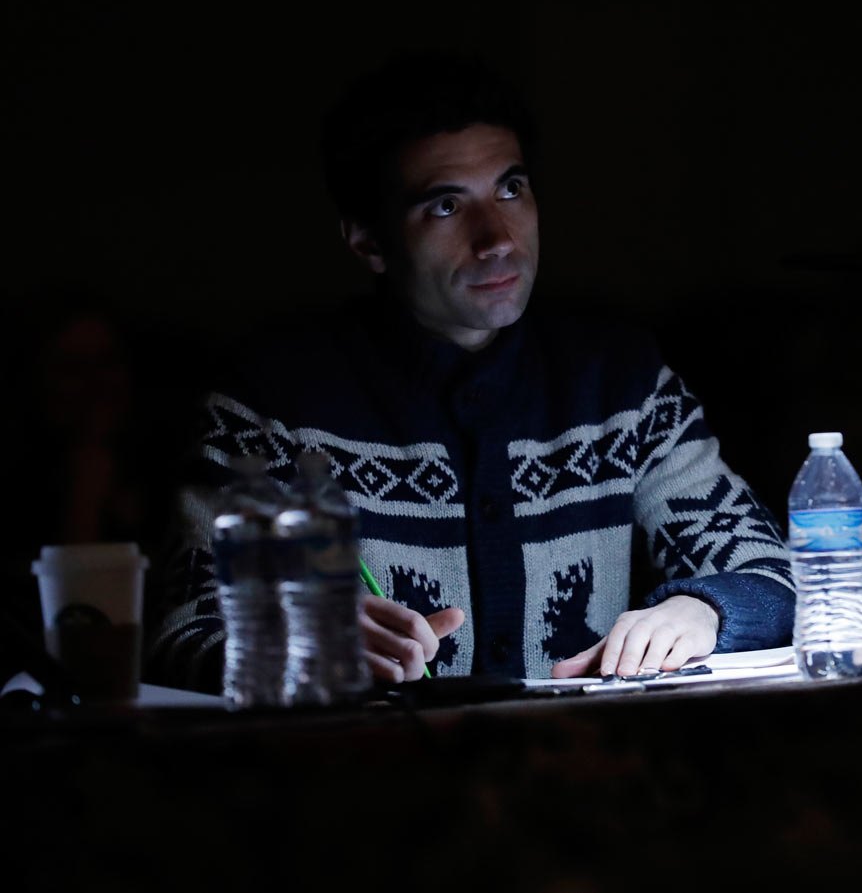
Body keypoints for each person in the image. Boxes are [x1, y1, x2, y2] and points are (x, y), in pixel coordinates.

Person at [145, 53, 793, 689]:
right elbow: (188, 629)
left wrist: (704, 608)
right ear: (367, 240)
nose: (498, 238)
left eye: (511, 189)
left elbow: (771, 570)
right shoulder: (272, 402)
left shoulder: (619, 381)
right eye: (446, 207)